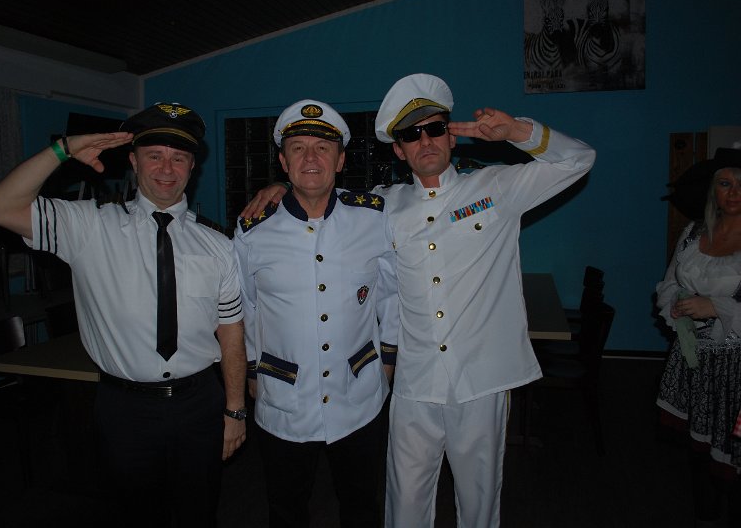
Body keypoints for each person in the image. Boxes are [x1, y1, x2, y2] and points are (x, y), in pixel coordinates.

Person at [241, 73, 596, 527]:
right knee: (404, 504)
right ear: (399, 150)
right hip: (414, 383)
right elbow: (322, 197)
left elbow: (579, 159)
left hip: (481, 381)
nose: (425, 141)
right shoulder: (382, 207)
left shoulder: (496, 189)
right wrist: (278, 189)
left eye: (434, 129)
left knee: (479, 502)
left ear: (451, 136)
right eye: (411, 135)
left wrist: (516, 132)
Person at [0, 102, 247, 528]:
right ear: (133, 161)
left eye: (179, 157)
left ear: (192, 167)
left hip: (199, 403)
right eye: (154, 155)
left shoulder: (217, 244)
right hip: (126, 407)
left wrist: (235, 410)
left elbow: (231, 333)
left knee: (198, 512)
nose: (166, 169)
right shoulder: (88, 226)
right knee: (133, 514)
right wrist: (64, 149)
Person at [233, 99, 399, 528]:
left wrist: (388, 361)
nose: (311, 158)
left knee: (361, 507)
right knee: (285, 509)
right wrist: (251, 371)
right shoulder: (253, 230)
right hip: (284, 399)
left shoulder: (374, 217)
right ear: (283, 163)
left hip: (359, 393)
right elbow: (245, 307)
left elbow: (391, 295)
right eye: (298, 148)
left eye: (323, 148)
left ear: (340, 161)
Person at [655, 149, 741, 527]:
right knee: (699, 449)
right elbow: (669, 283)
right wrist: (675, 306)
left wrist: (717, 307)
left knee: (733, 455)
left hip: (737, 364)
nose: (734, 192)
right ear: (713, 191)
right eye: (725, 183)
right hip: (693, 354)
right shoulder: (693, 233)